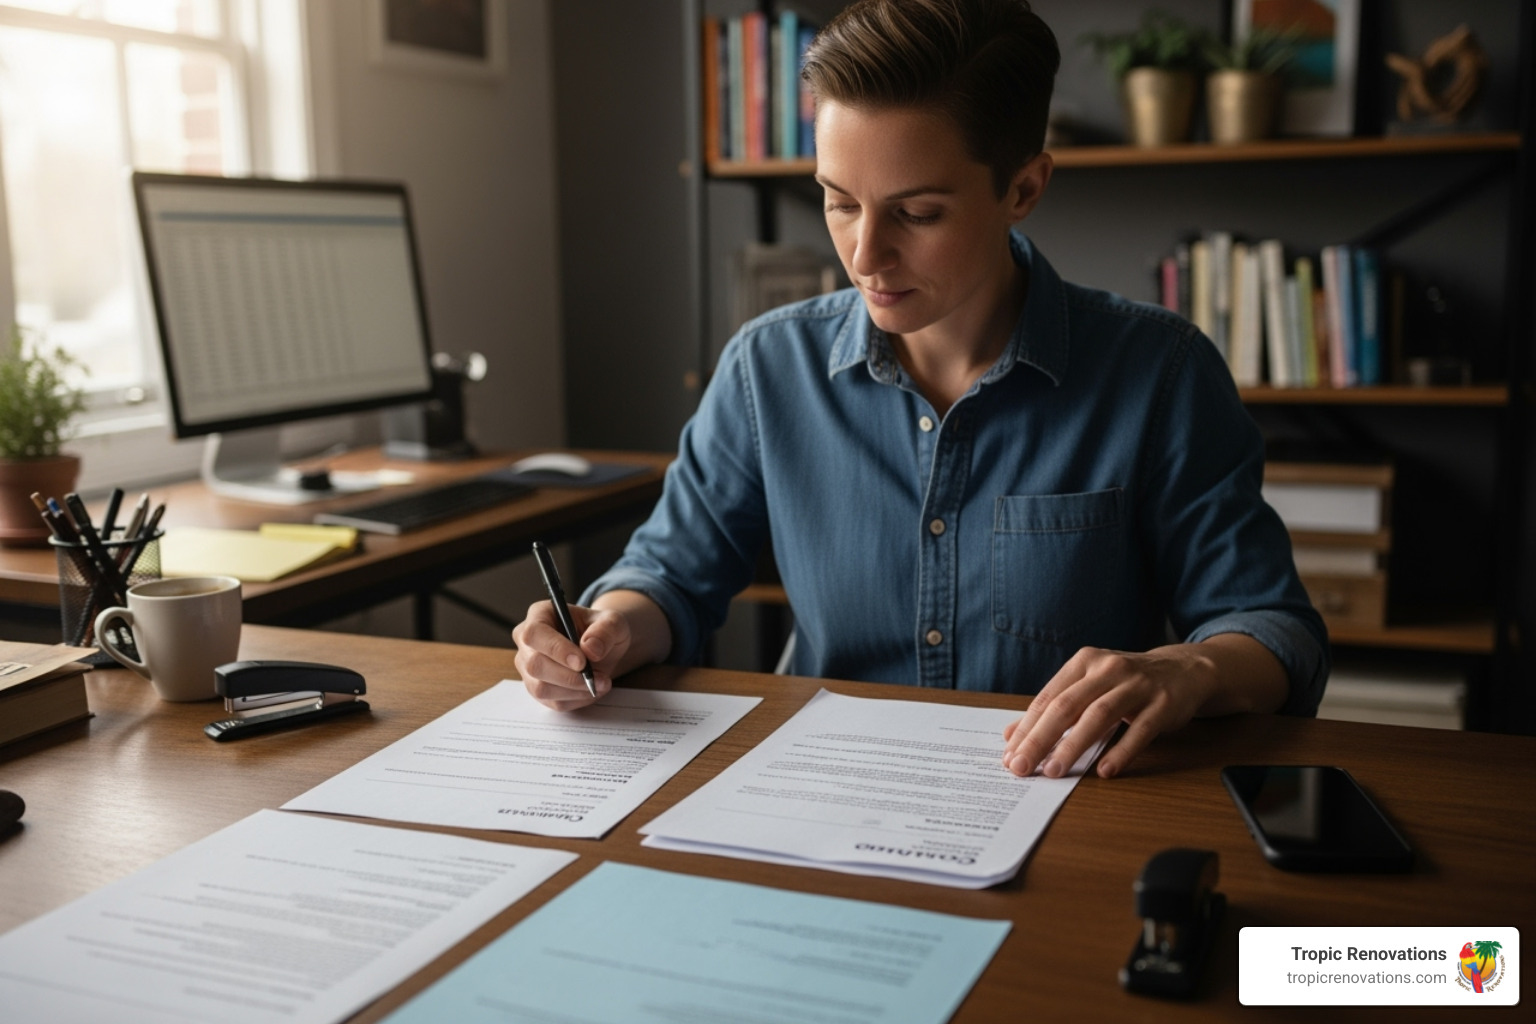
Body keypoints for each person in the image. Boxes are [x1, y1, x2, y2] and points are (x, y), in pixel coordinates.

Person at [513, 0, 1327, 780]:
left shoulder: (1162, 373)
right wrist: (610, 626)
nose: (866, 253)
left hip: (1069, 808)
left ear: (1023, 189)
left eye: (918, 213)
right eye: (838, 202)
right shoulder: (769, 368)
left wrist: (1185, 670)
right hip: (822, 798)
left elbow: (1274, 631)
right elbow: (671, 577)